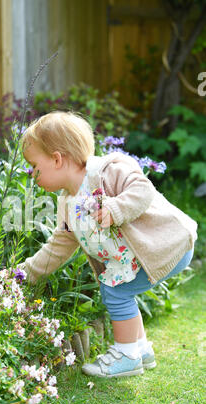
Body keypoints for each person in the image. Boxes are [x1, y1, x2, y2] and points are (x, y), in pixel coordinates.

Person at [18, 111, 197, 379]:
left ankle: (126, 356)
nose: (32, 173)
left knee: (116, 290)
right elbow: (59, 246)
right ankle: (139, 350)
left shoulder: (108, 170)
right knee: (119, 287)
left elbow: (142, 190)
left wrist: (115, 208)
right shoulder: (68, 203)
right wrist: (25, 273)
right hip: (135, 259)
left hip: (168, 244)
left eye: (34, 165)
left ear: (56, 159)